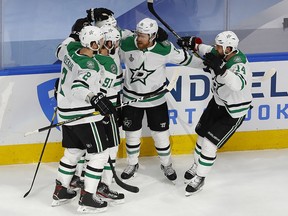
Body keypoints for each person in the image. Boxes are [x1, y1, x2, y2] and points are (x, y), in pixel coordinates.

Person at [119, 17, 204, 183]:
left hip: (156, 100)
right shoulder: (126, 42)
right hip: (131, 99)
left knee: (161, 136)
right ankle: (132, 163)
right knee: (132, 135)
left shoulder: (164, 49)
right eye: (138, 34)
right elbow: (111, 34)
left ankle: (166, 164)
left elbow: (188, 59)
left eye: (143, 36)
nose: (138, 38)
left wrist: (208, 65)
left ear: (152, 37)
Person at [177, 31, 252, 196]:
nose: (216, 48)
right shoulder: (220, 53)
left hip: (233, 110)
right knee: (202, 136)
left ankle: (200, 178)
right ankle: (197, 164)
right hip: (217, 103)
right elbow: (206, 50)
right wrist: (193, 44)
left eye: (219, 46)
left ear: (228, 49)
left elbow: (238, 84)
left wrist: (222, 71)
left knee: (210, 144)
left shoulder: (238, 62)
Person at [52, 25, 117, 213]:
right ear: (94, 44)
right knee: (99, 155)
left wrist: (73, 33)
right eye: (101, 41)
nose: (104, 43)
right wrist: (95, 98)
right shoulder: (92, 65)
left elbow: (59, 49)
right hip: (83, 115)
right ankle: (87, 197)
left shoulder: (69, 50)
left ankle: (60, 191)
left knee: (72, 153)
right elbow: (78, 88)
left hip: (65, 112)